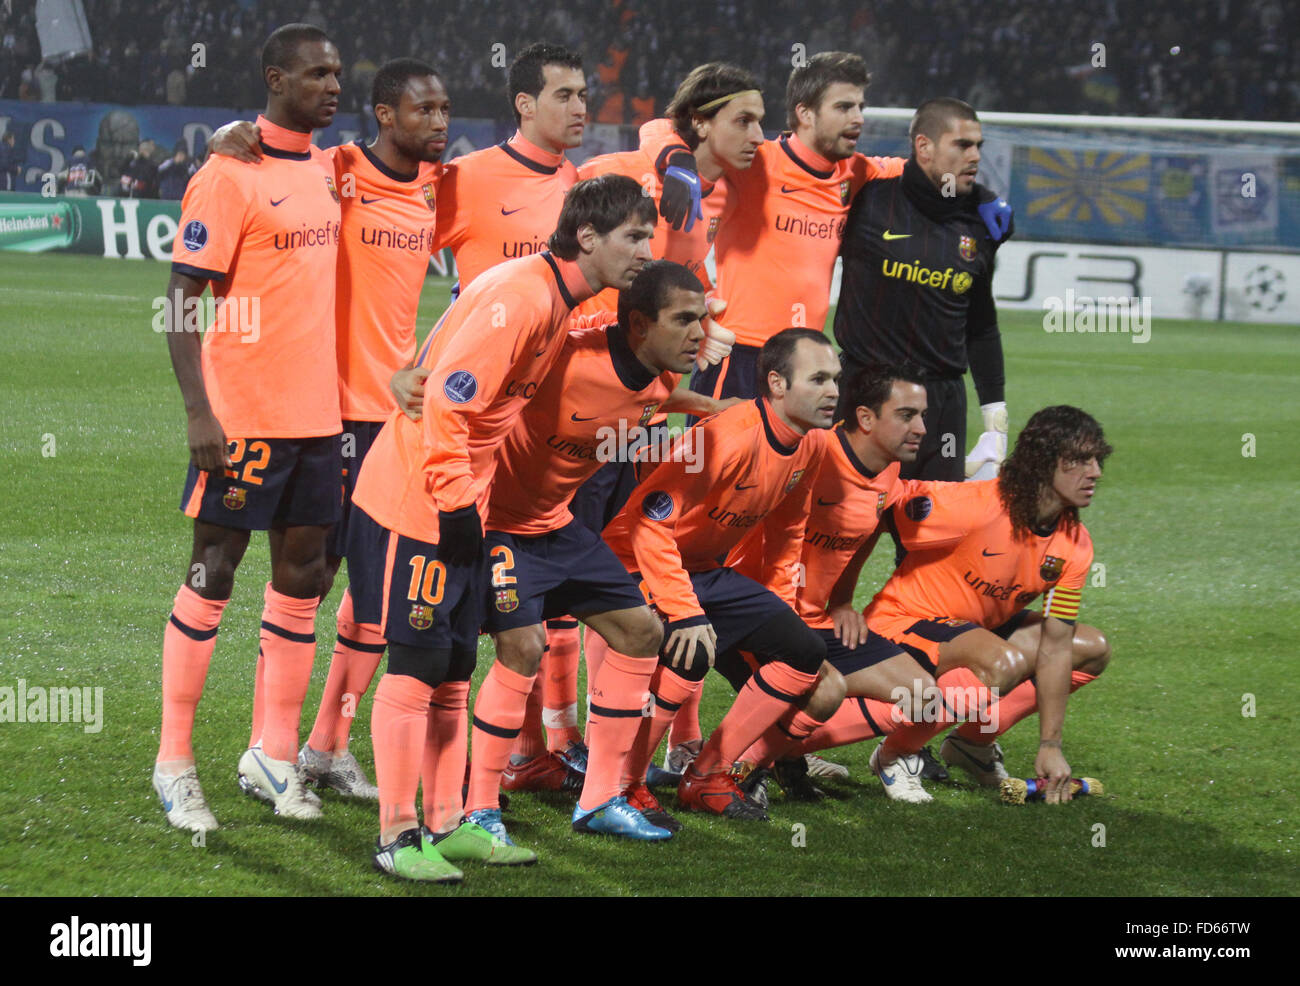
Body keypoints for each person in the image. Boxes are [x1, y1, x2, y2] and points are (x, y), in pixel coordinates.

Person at [349, 174, 656, 880]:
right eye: (633, 236)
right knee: (417, 664)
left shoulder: (552, 297)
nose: (645, 250)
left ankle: (448, 823)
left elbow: (440, 363)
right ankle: (395, 838)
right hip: (415, 500)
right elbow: (452, 405)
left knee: (456, 668)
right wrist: (456, 504)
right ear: (587, 237)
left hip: (460, 502)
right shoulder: (523, 297)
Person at [205, 60, 454, 804]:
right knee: (308, 583)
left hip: (396, 417)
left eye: (447, 109)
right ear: (383, 114)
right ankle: (268, 748)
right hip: (327, 409)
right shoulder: (337, 170)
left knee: (375, 595)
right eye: (424, 109)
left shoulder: (445, 191)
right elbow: (263, 148)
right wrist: (228, 134)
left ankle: (326, 746)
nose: (441, 122)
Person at [152, 23, 343, 833]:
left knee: (303, 577)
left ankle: (272, 752)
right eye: (315, 75)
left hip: (318, 415)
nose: (332, 86)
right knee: (213, 572)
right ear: (274, 78)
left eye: (338, 74)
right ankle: (174, 761)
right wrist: (200, 409)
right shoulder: (229, 172)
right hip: (246, 417)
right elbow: (181, 296)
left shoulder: (340, 168)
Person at [470, 260, 729, 841]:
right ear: (639, 324)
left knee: (641, 633)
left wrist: (708, 408)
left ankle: (599, 798)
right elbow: (472, 376)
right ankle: (478, 805)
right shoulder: (564, 352)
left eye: (704, 319)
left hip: (557, 526)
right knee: (522, 645)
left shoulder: (660, 374)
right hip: (496, 524)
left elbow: (649, 401)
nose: (700, 334)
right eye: (685, 320)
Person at [603, 329, 840, 820]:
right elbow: (648, 522)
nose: (833, 390)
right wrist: (684, 611)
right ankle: (623, 785)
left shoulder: (812, 444)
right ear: (777, 383)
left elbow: (788, 528)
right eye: (818, 379)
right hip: (635, 563)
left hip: (701, 569)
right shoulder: (725, 436)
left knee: (804, 652)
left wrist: (776, 606)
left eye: (835, 378)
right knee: (690, 649)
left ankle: (709, 774)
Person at [862, 405, 1113, 803]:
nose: (1096, 471)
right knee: (1001, 661)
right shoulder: (975, 505)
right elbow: (879, 502)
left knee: (1091, 649)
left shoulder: (1074, 542)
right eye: (1081, 460)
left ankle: (971, 745)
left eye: (1097, 459)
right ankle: (895, 754)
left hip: (978, 633)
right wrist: (836, 600)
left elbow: (1055, 646)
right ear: (1044, 462)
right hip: (904, 624)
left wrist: (1050, 744)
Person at [728, 364, 939, 800]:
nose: (920, 428)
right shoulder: (814, 449)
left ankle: (782, 751)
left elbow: (864, 535)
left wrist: (842, 601)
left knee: (924, 697)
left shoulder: (889, 472)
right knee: (825, 688)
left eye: (921, 415)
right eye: (906, 415)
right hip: (759, 610)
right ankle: (739, 769)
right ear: (865, 418)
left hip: (817, 620)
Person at [834, 97, 1015, 482]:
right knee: (839, 534)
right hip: (865, 394)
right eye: (963, 145)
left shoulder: (982, 225)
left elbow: (981, 326)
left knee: (929, 539)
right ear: (924, 147)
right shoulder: (868, 199)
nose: (976, 156)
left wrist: (995, 424)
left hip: (941, 407)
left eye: (979, 146)